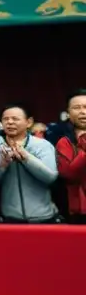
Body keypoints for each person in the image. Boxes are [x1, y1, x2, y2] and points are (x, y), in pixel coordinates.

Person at [0, 104, 59, 223]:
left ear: (29, 122)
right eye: (6, 119)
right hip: (10, 217)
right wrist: (3, 165)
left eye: (15, 119)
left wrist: (27, 158)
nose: (10, 122)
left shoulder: (42, 145)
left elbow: (50, 177)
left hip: (43, 217)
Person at [56, 90, 86, 224]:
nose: (83, 112)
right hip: (77, 211)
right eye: (77, 108)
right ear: (68, 113)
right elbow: (69, 174)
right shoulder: (64, 141)